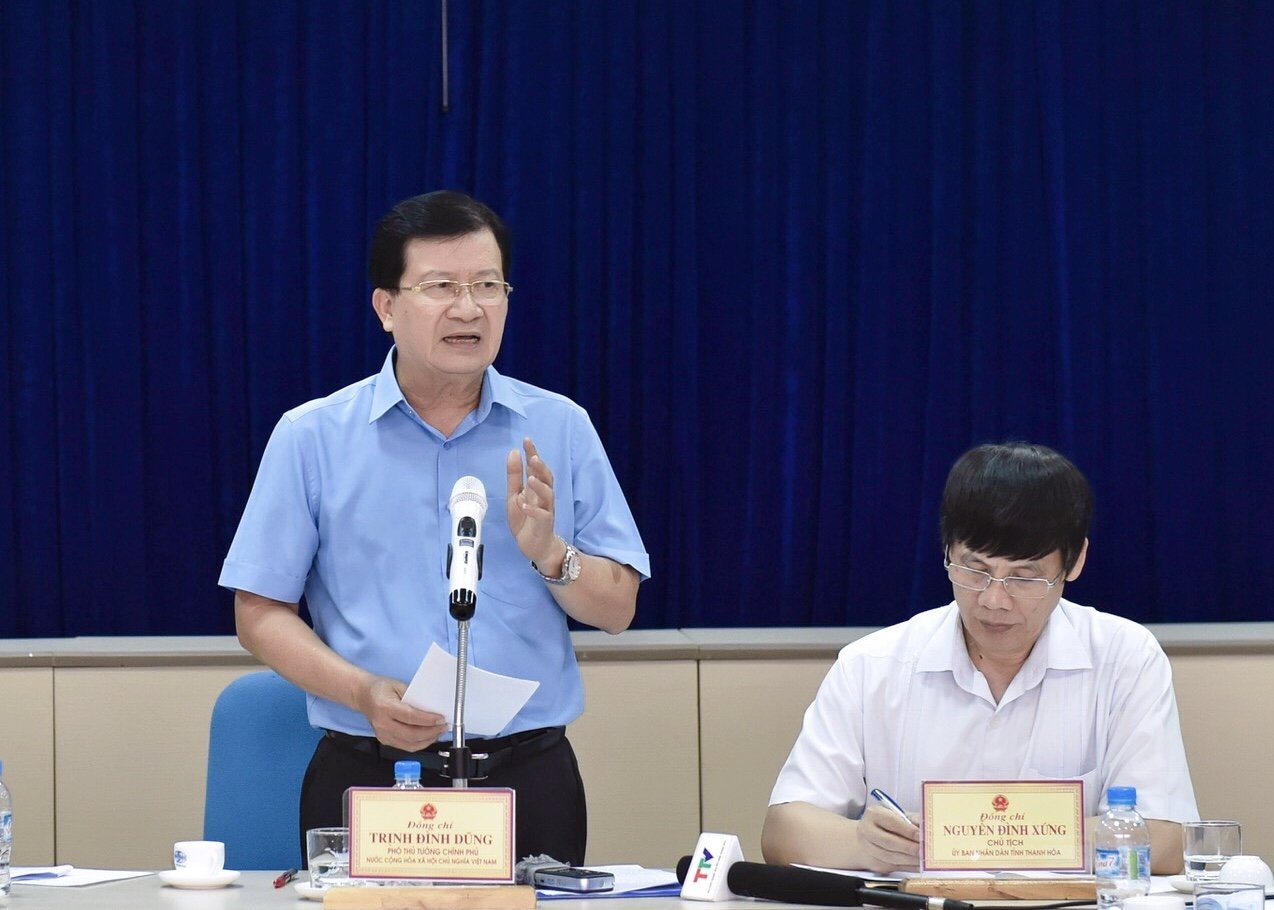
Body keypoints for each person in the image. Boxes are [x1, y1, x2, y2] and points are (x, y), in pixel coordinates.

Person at [219, 190, 649, 866]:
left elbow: (618, 608)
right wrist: (362, 692)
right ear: (386, 307)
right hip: (369, 772)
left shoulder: (560, 427)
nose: (469, 308)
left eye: (488, 286)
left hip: (528, 777)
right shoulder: (313, 437)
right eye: (441, 287)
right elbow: (258, 612)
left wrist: (550, 552)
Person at [761, 442, 1197, 874]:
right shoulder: (872, 665)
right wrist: (863, 844)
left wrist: (974, 840)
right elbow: (784, 830)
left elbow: (1166, 839)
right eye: (975, 570)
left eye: (1023, 577)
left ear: (1075, 561)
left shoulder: (1124, 659)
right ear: (947, 550)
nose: (993, 600)